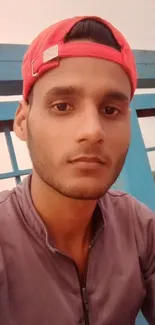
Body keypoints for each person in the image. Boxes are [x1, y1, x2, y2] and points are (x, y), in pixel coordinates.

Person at [0, 15, 155, 325]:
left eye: (110, 110)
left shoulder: (138, 225)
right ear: (22, 121)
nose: (92, 131)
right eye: (62, 106)